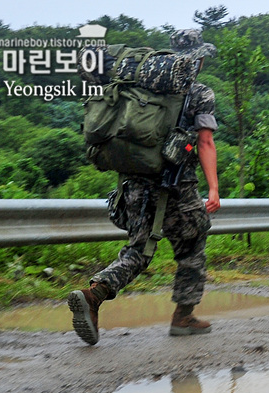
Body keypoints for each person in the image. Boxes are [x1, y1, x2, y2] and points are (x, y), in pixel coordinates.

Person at [68, 29, 221, 346]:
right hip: (179, 185)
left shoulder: (138, 89)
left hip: (134, 182)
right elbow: (205, 142)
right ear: (199, 58)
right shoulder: (200, 93)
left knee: (139, 249)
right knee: (193, 245)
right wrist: (214, 189)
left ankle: (95, 294)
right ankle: (183, 317)